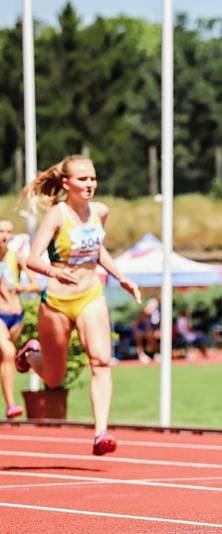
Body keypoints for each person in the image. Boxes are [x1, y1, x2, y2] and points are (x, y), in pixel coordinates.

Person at [14, 154, 141, 455]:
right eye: (83, 179)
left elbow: (98, 251)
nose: (89, 185)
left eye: (93, 178)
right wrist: (55, 271)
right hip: (57, 302)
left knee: (101, 361)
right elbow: (32, 259)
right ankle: (31, 354)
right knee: (54, 378)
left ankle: (101, 433)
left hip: (90, 296)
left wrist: (122, 277)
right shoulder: (58, 214)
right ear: (67, 183)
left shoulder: (100, 211)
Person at [0, 220, 39, 419]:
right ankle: (11, 405)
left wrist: (23, 288)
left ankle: (22, 357)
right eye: (1, 231)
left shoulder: (16, 258)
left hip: (16, 316)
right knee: (7, 352)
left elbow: (36, 284)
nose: (4, 235)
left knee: (7, 358)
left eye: (8, 231)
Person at [131, 297, 160, 363]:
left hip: (151, 332)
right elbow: (135, 327)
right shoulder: (141, 317)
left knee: (155, 336)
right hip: (142, 333)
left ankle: (156, 354)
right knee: (139, 337)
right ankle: (142, 355)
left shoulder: (154, 317)